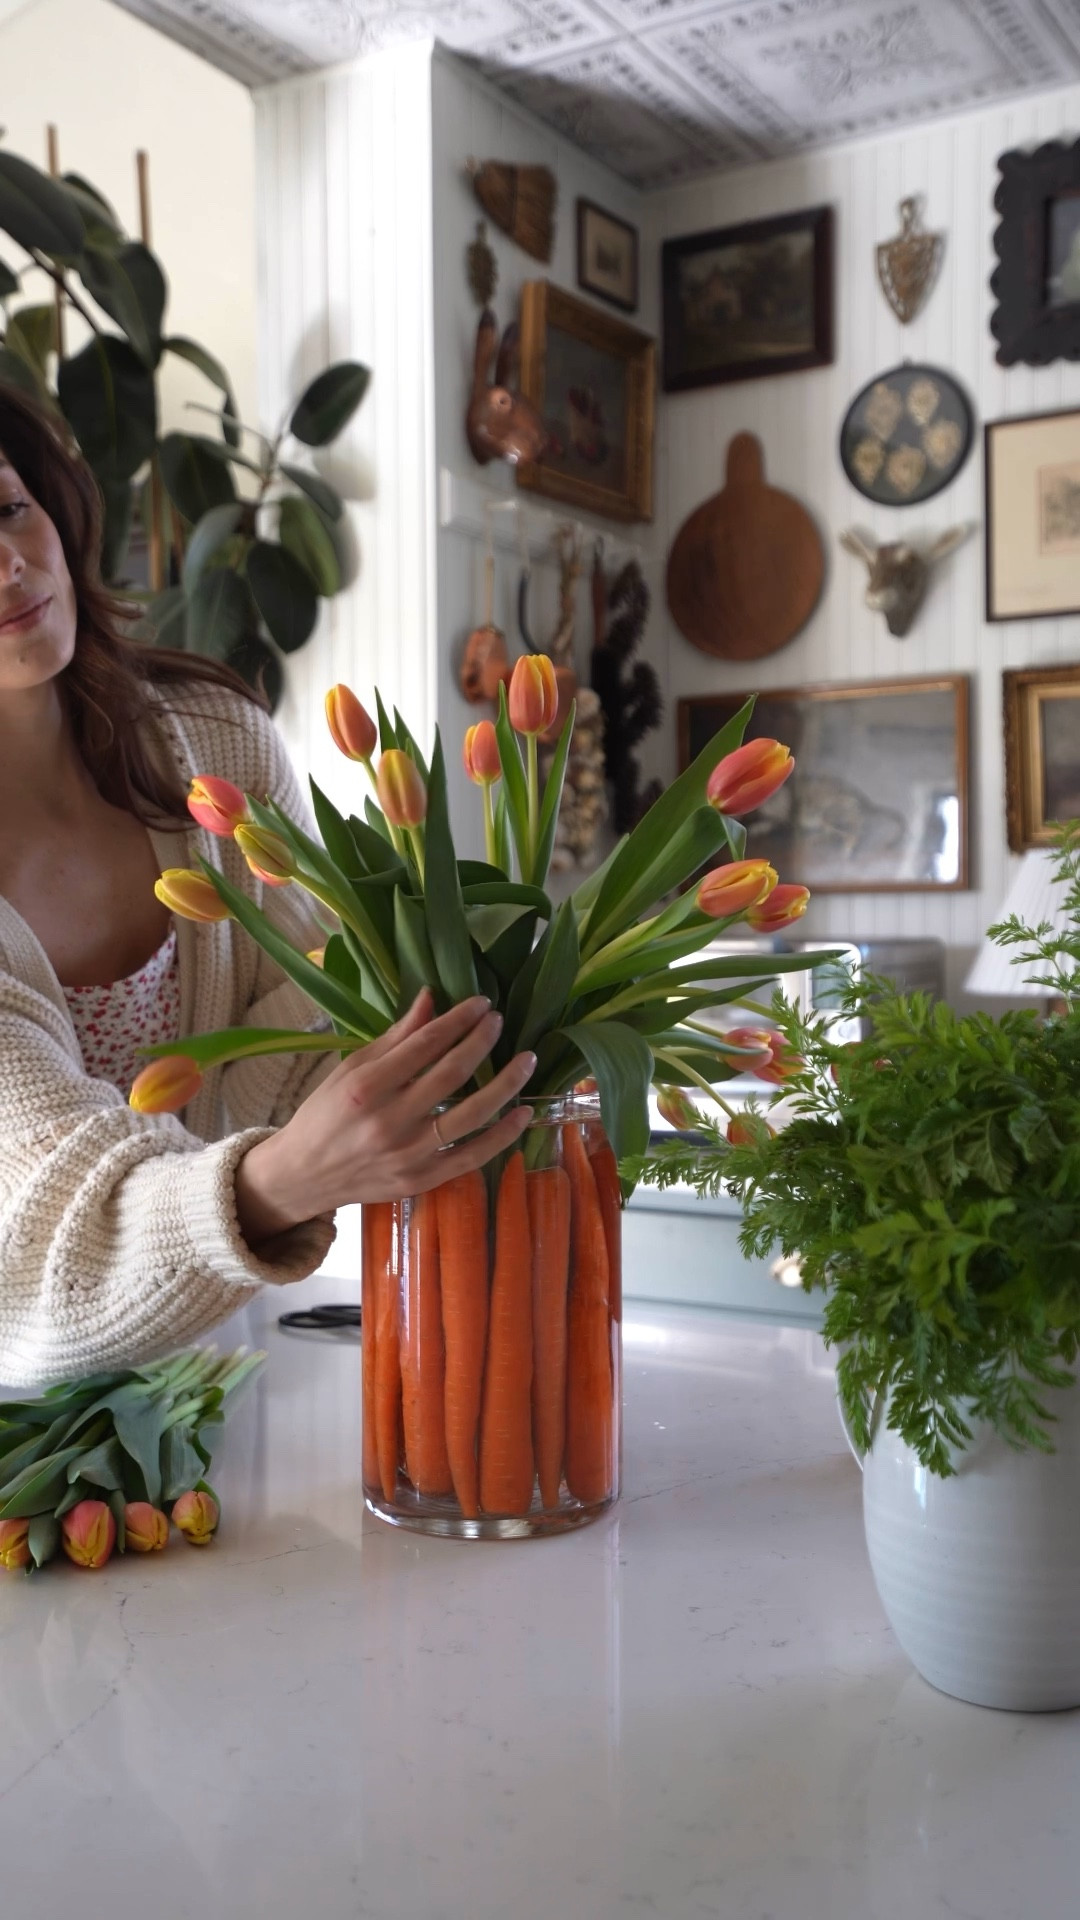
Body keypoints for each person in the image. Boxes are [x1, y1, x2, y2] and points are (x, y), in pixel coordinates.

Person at [0, 386, 534, 1388]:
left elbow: (311, 1026)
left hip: (213, 1374)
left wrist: (493, 1015)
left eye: (8, 508)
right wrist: (276, 1183)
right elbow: (32, 1235)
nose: (7, 564)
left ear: (54, 507)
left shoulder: (214, 746)